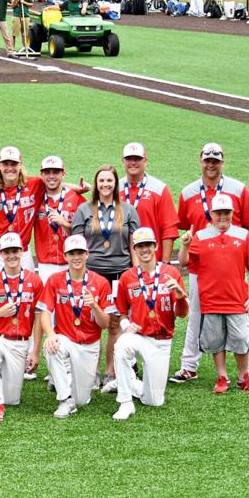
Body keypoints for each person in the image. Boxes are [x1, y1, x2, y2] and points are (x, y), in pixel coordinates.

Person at [173, 142, 249, 386]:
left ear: (222, 162)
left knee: (240, 315)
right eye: (207, 160)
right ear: (200, 160)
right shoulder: (189, 192)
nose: (211, 165)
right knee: (197, 315)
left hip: (228, 264)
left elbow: (248, 225)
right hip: (198, 264)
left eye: (216, 160)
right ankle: (189, 365)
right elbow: (183, 225)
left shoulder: (239, 189)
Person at [179, 196, 249, 394]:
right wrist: (185, 244)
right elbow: (183, 262)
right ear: (212, 214)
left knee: (241, 339)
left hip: (236, 299)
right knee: (216, 341)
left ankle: (244, 377)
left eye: (226, 212)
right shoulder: (200, 236)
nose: (223, 217)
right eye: (219, 213)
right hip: (211, 300)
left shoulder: (243, 235)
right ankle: (222, 376)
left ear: (232, 214)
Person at [71, 164, 139, 389]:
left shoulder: (128, 210)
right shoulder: (84, 210)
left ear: (116, 183)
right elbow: (77, 246)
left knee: (114, 323)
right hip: (93, 274)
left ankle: (111, 370)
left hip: (120, 272)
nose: (105, 185)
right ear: (96, 184)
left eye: (109, 180)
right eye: (101, 181)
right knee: (91, 323)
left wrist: (137, 273)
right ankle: (91, 373)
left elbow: (133, 246)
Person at [110, 228, 188, 420]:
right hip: (138, 336)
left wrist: (179, 296)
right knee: (121, 345)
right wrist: (126, 324)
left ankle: (126, 380)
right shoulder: (127, 277)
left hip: (161, 340)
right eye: (140, 246)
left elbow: (182, 313)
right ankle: (125, 402)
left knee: (154, 401)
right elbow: (119, 311)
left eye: (148, 245)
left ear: (155, 246)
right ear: (134, 250)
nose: (144, 250)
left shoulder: (171, 273)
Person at [38, 235, 113, 418]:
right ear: (65, 256)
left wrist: (94, 306)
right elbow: (44, 313)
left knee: (82, 399)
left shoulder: (100, 282)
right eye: (72, 253)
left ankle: (63, 380)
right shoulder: (55, 280)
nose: (76, 257)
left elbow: (105, 324)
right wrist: (50, 334)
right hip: (66, 340)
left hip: (89, 345)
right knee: (53, 347)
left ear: (87, 254)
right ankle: (65, 399)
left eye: (80, 252)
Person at [0, 233, 43, 423]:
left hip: (20, 341)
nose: (11, 256)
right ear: (0, 253)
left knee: (13, 399)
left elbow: (39, 317)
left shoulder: (35, 281)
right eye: (7, 252)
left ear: (22, 252)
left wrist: (34, 350)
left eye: (15, 251)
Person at [0, 146, 45, 277]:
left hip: (23, 254)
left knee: (27, 295)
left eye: (14, 164)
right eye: (5, 164)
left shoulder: (35, 184)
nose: (10, 168)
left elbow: (54, 183)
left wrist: (78, 188)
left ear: (20, 165)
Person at [118, 143, 178, 263]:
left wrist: (165, 263)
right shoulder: (114, 188)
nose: (133, 163)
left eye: (137, 159)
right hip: (121, 262)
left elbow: (169, 229)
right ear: (123, 161)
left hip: (151, 260)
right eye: (129, 159)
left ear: (145, 161)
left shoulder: (159, 189)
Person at [34, 155, 85, 284]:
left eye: (56, 172)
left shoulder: (76, 199)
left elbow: (85, 234)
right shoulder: (35, 197)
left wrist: (65, 224)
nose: (51, 176)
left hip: (71, 262)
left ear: (63, 174)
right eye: (47, 172)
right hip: (44, 264)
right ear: (41, 175)